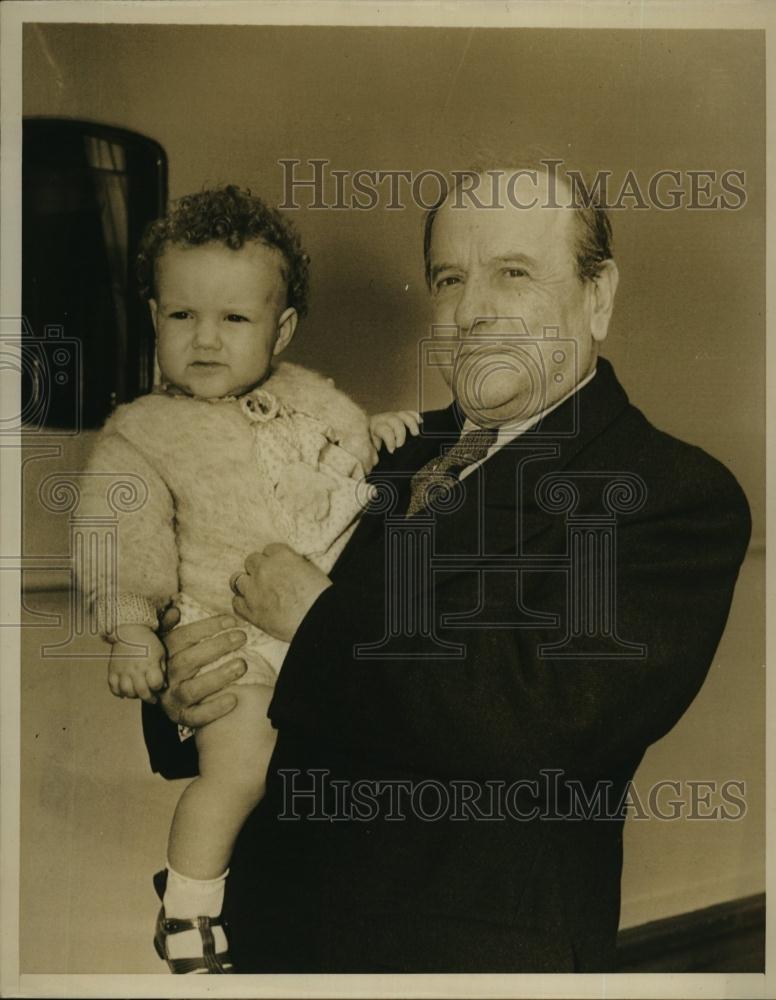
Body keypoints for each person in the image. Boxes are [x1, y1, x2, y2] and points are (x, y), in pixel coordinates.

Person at [142, 163, 752, 972]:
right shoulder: (370, 453)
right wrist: (189, 686)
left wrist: (317, 620)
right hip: (274, 937)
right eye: (450, 279)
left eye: (513, 274)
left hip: (462, 959)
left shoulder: (670, 493)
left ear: (598, 295)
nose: (472, 312)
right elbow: (244, 615)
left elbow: (543, 724)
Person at [79, 185, 419, 973]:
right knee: (240, 771)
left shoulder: (310, 397)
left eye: (234, 319)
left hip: (322, 623)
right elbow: (120, 537)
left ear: (281, 329)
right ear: (153, 317)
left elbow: (344, 463)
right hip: (227, 637)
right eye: (181, 316)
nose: (205, 339)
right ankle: (190, 912)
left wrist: (377, 431)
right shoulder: (143, 432)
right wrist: (131, 627)